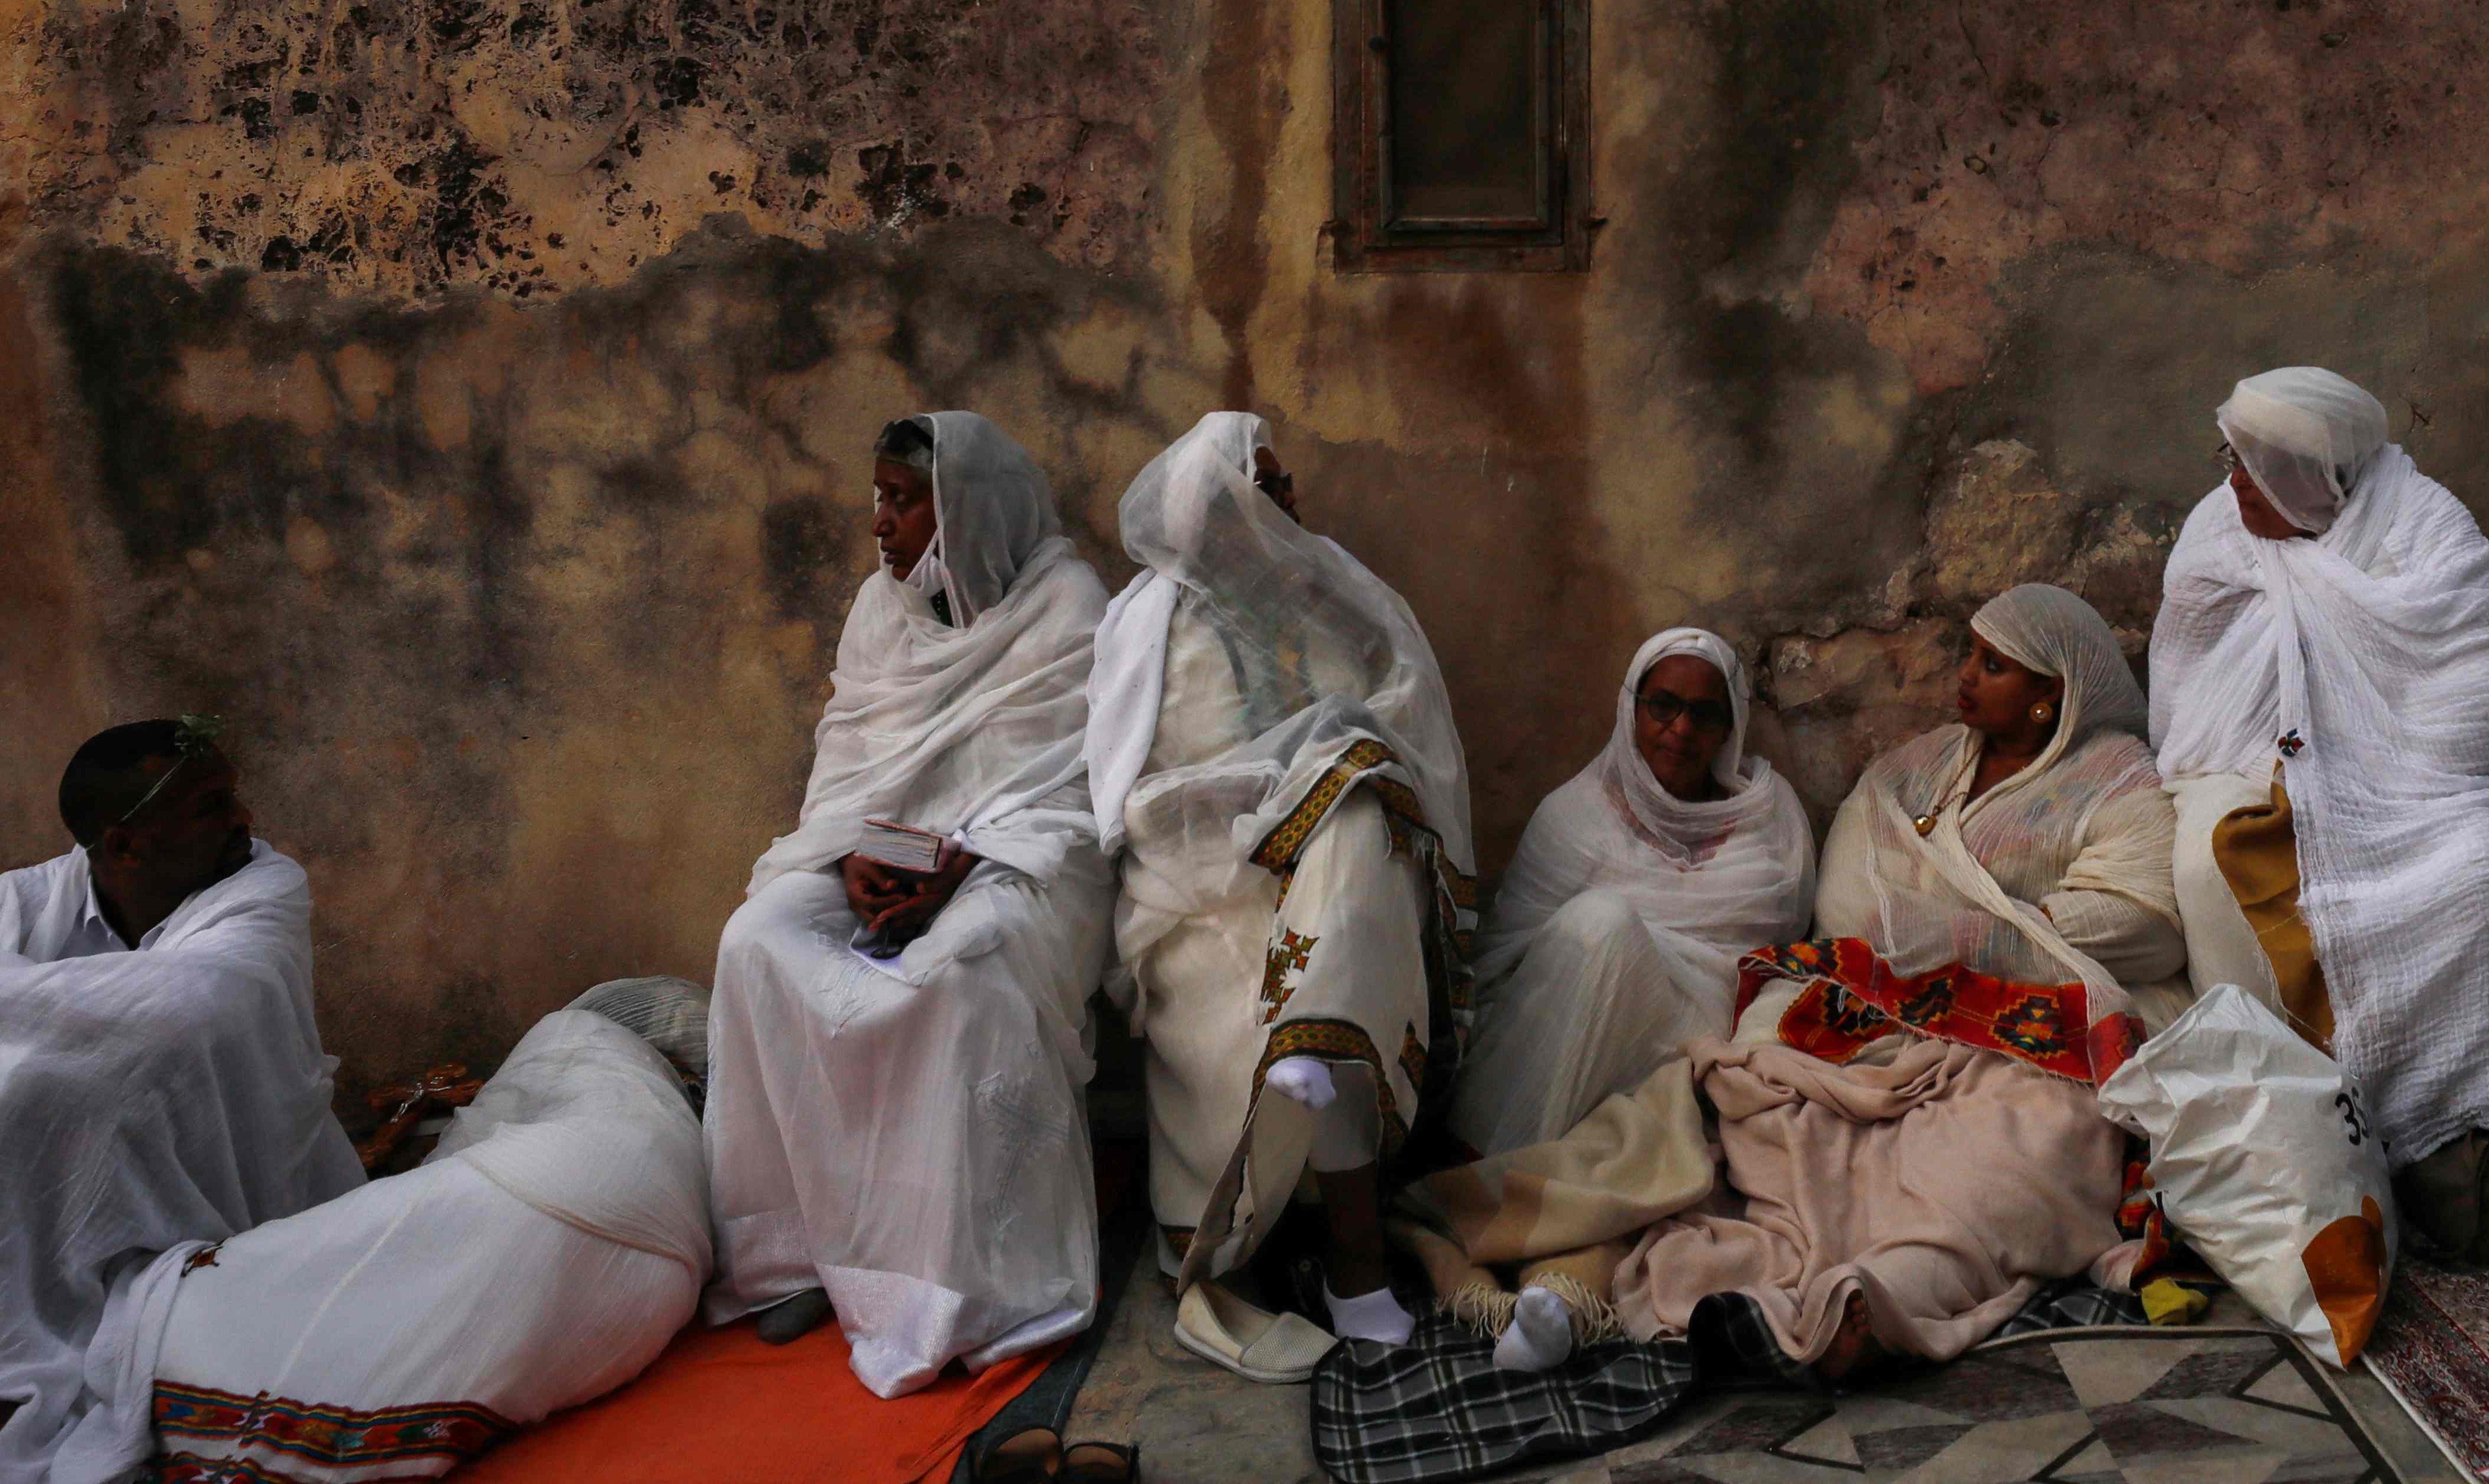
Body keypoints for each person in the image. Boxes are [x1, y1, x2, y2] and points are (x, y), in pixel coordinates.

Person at [1597, 583, 2181, 1375]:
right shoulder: (1921, 766)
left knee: (2009, 1154)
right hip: (1895, 1010)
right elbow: (1851, 903)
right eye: (1969, 656)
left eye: (1995, 665)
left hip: (2033, 1031)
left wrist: (1965, 934)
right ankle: (1760, 1284)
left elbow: (2138, 924)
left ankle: (1878, 1299)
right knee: (1782, 1102)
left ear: (2052, 692)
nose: (1965, 676)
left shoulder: (2115, 778)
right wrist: (1941, 945)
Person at [705, 412, 1114, 1399]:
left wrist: (959, 870)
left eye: (900, 499)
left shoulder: (1068, 605)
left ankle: (954, 1284)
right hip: (884, 856)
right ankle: (809, 1255)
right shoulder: (879, 606)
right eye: (879, 497)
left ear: (964, 506)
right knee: (755, 941)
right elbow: (852, 771)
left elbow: (1078, 786)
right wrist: (864, 862)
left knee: (961, 972)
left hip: (1025, 864)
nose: (878, 524)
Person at [2148, 367, 2489, 1263]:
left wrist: (2375, 784)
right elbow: (2189, 674)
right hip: (2246, 752)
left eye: (2259, 467)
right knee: (2203, 862)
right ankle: (2283, 1124)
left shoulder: (2427, 527)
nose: (2235, 485)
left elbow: (2473, 693)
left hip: (2429, 785)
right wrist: (2284, 763)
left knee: (2482, 879)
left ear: (2325, 474)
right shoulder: (2217, 526)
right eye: (2230, 457)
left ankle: (2461, 1134)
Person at [1086, 413, 1476, 1373]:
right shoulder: (1149, 625)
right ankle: (1354, 1267)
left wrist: (1327, 768)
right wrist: (1266, 796)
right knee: (1337, 874)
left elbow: (1398, 735)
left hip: (1327, 882)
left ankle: (1352, 1258)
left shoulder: (1325, 606)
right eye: (1267, 488)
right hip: (1203, 895)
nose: (1293, 502)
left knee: (1351, 820)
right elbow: (1129, 805)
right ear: (1214, 515)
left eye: (1286, 481)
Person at [55, 979, 714, 1484]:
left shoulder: (576, 1041)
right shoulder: (692, 1145)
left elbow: (469, 1145)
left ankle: (210, 1373)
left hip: (565, 1194)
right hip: (658, 1284)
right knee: (458, 1310)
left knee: (325, 1279)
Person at [0, 723, 360, 1484]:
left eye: (233, 796)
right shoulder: (20, 905)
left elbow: (188, 1005)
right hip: (43, 1242)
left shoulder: (265, 886)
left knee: (33, 1087)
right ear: (124, 847)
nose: (245, 821)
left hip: (243, 1207)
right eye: (212, 806)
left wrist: (33, 1061)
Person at [1454, 628, 1815, 1160]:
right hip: (1574, 1025)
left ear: (1728, 728)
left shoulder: (1767, 811)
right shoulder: (1574, 817)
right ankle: (1510, 1168)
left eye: (1704, 713)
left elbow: (1787, 946)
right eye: (1663, 706)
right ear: (1632, 710)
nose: (1681, 729)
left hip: (1697, 1038)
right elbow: (1502, 964)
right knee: (1602, 923)